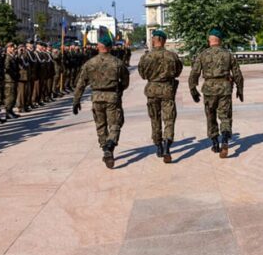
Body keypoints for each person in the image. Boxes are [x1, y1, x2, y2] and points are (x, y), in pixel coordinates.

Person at [72, 36, 130, 169]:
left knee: (100, 124)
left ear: (99, 46)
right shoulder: (117, 62)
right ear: (110, 47)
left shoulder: (90, 63)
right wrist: (119, 90)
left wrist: (76, 100)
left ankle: (105, 148)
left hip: (96, 97)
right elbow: (125, 81)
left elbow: (81, 83)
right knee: (115, 123)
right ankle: (110, 145)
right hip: (112, 97)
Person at [188, 28, 244, 158]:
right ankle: (224, 140)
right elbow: (237, 74)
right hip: (225, 88)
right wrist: (240, 89)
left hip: (209, 89)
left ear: (210, 40)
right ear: (220, 40)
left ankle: (215, 143)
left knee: (210, 115)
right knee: (225, 116)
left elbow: (194, 74)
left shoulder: (203, 54)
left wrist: (193, 89)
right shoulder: (228, 54)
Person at [138, 29, 183, 163]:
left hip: (152, 90)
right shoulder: (172, 56)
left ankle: (158, 145)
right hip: (167, 90)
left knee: (155, 118)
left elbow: (142, 74)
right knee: (169, 119)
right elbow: (178, 71)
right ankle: (167, 147)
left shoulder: (146, 57)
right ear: (164, 41)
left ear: (154, 40)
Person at [3, 42, 20, 119]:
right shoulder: (7, 57)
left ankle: (10, 110)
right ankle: (8, 111)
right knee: (9, 97)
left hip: (13, 79)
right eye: (11, 47)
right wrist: (13, 74)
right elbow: (7, 68)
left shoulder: (13, 56)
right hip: (9, 80)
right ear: (7, 48)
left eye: (13, 47)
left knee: (13, 96)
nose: (13, 48)